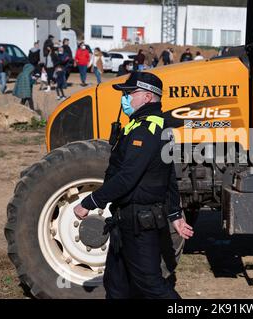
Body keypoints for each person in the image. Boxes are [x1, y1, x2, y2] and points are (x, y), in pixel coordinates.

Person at [73, 72, 194, 299]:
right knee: (116, 285)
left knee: (151, 287)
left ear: (147, 97)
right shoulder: (145, 125)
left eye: (130, 93)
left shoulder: (146, 129)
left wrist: (90, 201)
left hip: (139, 221)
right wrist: (176, 213)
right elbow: (167, 175)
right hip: (124, 220)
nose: (125, 98)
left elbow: (128, 176)